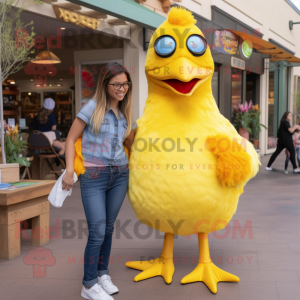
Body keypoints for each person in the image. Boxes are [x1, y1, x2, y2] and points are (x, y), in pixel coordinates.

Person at [62, 62, 137, 300]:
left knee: (108, 228)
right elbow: (70, 139)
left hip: (120, 175)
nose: (121, 88)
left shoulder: (125, 112)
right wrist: (67, 171)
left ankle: (102, 274)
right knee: (97, 230)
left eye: (125, 84)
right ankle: (89, 284)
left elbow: (128, 143)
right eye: (116, 84)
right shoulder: (91, 108)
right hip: (94, 177)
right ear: (105, 84)